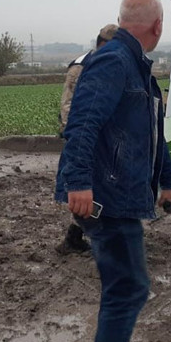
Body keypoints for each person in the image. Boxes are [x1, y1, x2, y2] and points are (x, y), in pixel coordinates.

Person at [55, 0, 171, 342]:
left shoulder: (136, 64)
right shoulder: (113, 61)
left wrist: (168, 181)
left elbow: (152, 133)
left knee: (123, 287)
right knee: (128, 289)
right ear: (158, 26)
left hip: (121, 190)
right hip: (106, 195)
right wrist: (78, 182)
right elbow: (82, 124)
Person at [55, 23, 118, 255]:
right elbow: (69, 107)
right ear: (102, 44)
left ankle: (74, 237)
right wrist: (77, 139)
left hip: (105, 138)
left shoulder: (110, 65)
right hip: (85, 139)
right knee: (88, 188)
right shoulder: (81, 68)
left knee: (100, 189)